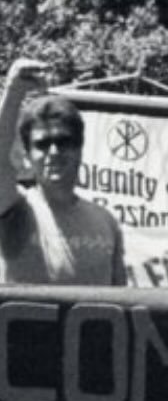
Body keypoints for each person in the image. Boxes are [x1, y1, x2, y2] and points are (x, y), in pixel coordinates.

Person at [0, 58, 125, 286]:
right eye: (42, 144)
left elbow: (122, 305)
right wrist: (13, 93)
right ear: (27, 155)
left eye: (63, 141)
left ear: (79, 149)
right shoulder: (12, 209)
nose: (54, 151)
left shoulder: (106, 222)